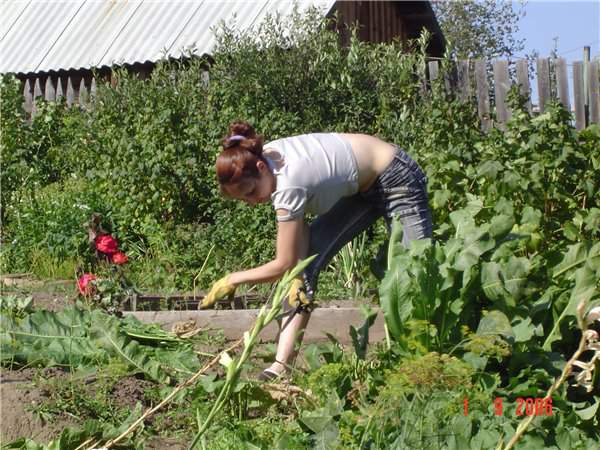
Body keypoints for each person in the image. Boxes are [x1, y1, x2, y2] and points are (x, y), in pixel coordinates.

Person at [201, 120, 432, 380]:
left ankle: (426, 359)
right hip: (361, 188)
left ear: (260, 168)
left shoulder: (288, 184)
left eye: (252, 192)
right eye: (244, 199)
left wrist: (233, 279)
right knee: (303, 270)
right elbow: (296, 259)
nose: (253, 202)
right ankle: (280, 368)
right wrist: (298, 275)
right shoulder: (265, 157)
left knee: (415, 271)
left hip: (396, 175)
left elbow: (282, 264)